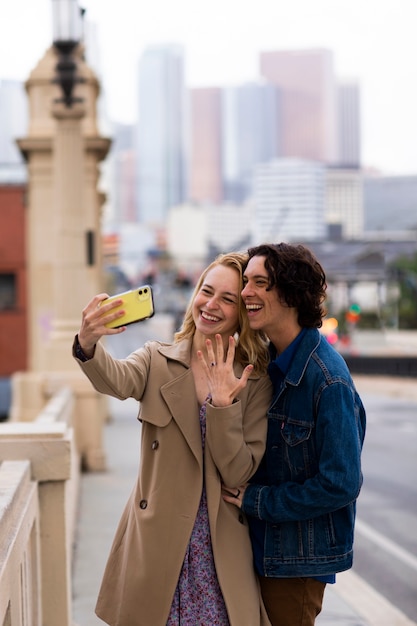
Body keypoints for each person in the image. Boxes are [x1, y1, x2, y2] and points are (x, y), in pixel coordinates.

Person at [72, 252, 273, 626]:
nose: (211, 305)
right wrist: (88, 343)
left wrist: (223, 404)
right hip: (157, 544)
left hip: (217, 549)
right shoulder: (156, 359)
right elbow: (114, 380)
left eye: (227, 299)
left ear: (241, 314)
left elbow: (238, 471)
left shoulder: (254, 380)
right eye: (206, 291)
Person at [223, 242, 366, 626]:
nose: (245, 293)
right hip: (261, 550)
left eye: (259, 283)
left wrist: (258, 500)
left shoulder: (327, 379)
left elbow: (341, 483)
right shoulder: (269, 364)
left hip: (295, 563)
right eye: (245, 282)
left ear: (289, 293)